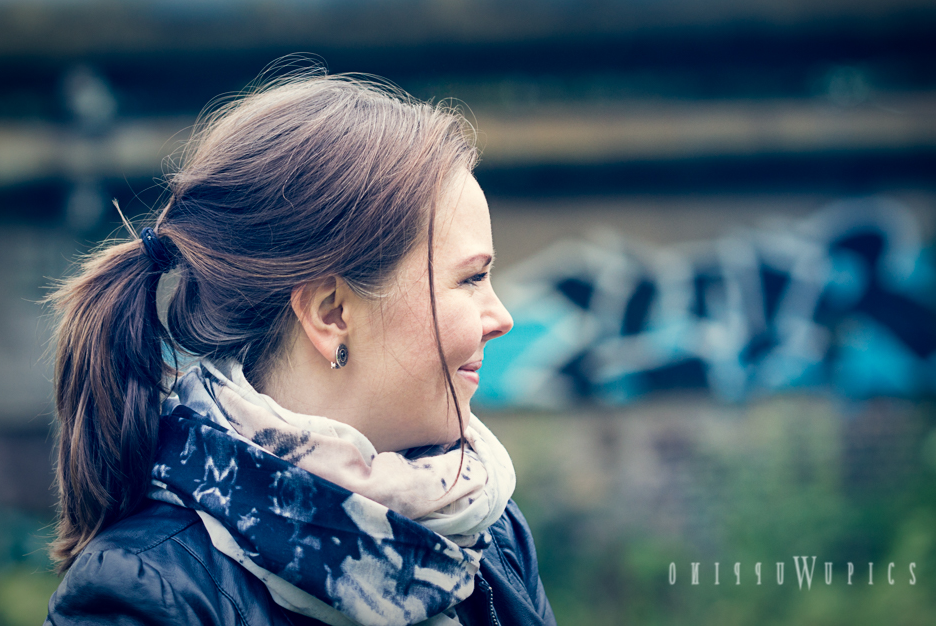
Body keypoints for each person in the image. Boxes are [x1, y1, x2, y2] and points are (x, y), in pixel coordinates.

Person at [44, 71, 557, 626]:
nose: (501, 318)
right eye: (471, 279)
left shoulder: (486, 531)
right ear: (332, 314)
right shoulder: (146, 596)